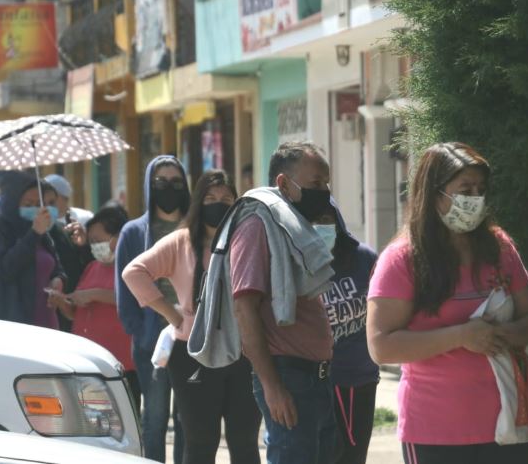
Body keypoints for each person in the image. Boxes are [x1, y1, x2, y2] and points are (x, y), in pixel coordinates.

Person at [366, 142, 528, 464]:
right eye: (465, 189)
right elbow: (381, 346)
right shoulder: (402, 260)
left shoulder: (499, 248)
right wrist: (462, 336)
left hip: (506, 426)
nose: (474, 199)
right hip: (434, 431)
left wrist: (497, 336)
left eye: (480, 189)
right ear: (435, 193)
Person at [123, 170, 261, 464]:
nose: (218, 204)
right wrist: (172, 315)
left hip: (246, 352)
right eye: (210, 198)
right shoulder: (181, 242)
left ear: (237, 203)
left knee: (244, 441)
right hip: (192, 352)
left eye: (226, 198)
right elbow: (133, 272)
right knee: (200, 443)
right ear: (198, 202)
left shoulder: (249, 240)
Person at [229, 141, 336, 464]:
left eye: (326, 183)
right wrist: (272, 386)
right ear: (284, 184)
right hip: (288, 377)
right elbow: (244, 308)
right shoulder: (256, 227)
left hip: (315, 377)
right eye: (315, 183)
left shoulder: (293, 227)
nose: (324, 191)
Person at [116, 155, 190, 464]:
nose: (169, 188)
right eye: (161, 182)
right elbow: (125, 289)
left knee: (189, 417)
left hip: (191, 337)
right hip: (151, 340)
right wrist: (140, 330)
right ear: (149, 186)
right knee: (155, 418)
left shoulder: (195, 227)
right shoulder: (133, 232)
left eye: (176, 182)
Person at [51, 204, 140, 408]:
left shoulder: (133, 265)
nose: (94, 246)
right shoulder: (92, 267)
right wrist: (63, 303)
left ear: (118, 237)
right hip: (90, 364)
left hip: (122, 363)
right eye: (91, 242)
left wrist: (94, 295)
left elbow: (133, 298)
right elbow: (76, 313)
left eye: (98, 241)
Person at [314, 202, 379, 464]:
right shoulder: (298, 265)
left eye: (326, 218)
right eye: (312, 220)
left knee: (353, 456)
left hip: (361, 376)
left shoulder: (365, 258)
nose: (320, 226)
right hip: (319, 382)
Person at [0, 172, 65, 329]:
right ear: (12, 202)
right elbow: (5, 268)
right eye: (28, 204)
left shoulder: (40, 231)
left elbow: (55, 267)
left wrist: (58, 280)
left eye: (38, 203)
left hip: (47, 321)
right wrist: (33, 234)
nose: (35, 208)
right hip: (13, 327)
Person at [44, 175, 94, 332]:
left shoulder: (65, 232)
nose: (66, 205)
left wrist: (83, 246)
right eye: (48, 202)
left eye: (53, 203)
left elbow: (84, 269)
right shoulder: (28, 235)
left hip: (70, 314)